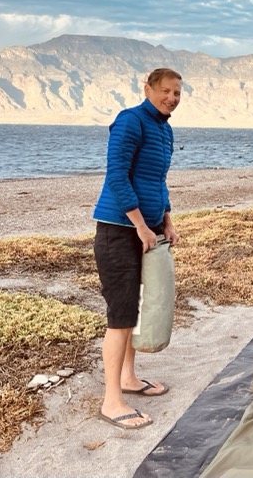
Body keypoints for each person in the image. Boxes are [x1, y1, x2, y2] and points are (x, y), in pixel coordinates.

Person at [92, 68, 182, 429]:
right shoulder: (130, 121)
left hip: (148, 230)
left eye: (177, 93)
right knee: (121, 314)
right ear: (147, 89)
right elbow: (117, 175)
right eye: (166, 91)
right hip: (118, 230)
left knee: (137, 307)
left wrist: (167, 221)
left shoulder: (165, 128)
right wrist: (141, 225)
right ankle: (111, 401)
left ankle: (129, 378)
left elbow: (157, 181)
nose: (172, 98)